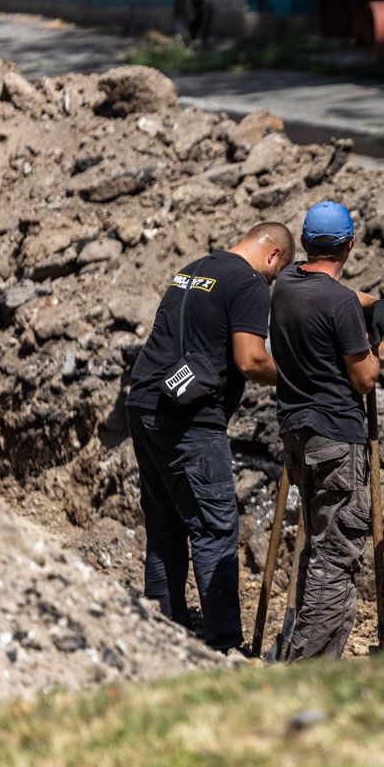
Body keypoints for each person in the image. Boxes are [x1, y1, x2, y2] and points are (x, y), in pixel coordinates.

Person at [127, 222, 295, 652]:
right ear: (272, 255)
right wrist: (299, 380)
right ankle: (224, 644)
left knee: (164, 524)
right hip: (192, 420)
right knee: (214, 530)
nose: (271, 282)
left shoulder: (193, 269)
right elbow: (251, 359)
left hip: (146, 402)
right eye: (276, 274)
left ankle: (162, 631)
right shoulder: (249, 283)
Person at [270, 201, 384, 660]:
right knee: (336, 556)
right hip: (336, 436)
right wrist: (380, 352)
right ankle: (307, 665)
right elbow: (364, 378)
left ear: (305, 243)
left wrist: (375, 304)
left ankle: (308, 651)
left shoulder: (287, 283)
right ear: (350, 244)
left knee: (318, 545)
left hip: (297, 433)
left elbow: (336, 293)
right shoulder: (340, 304)